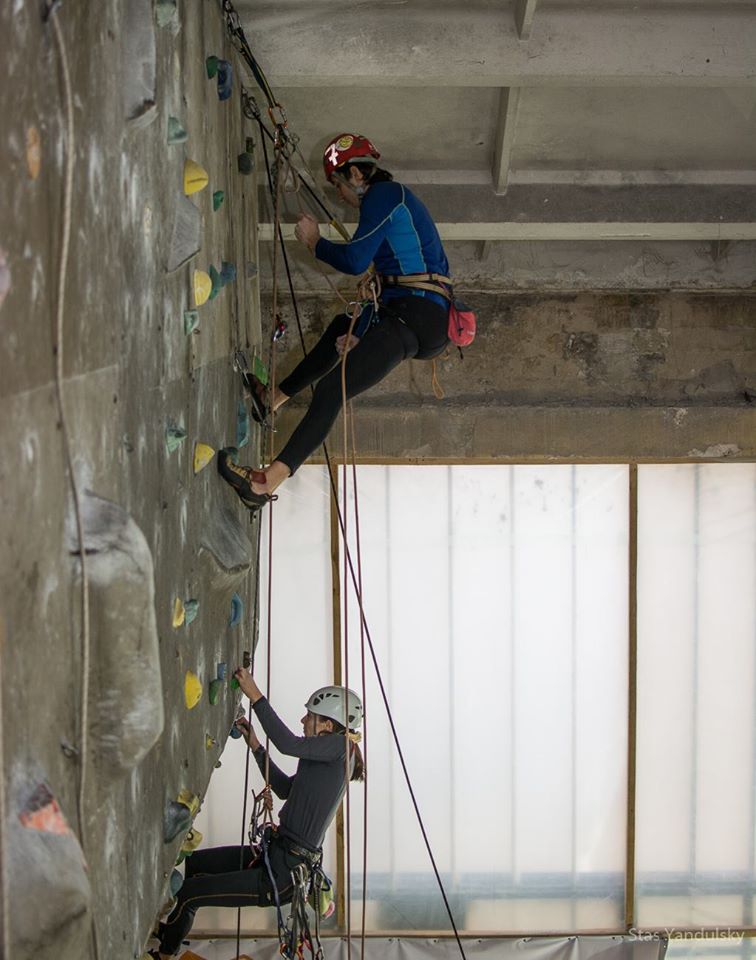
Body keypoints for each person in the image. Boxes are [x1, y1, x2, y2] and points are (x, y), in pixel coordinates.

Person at [218, 132, 452, 510]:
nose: (339, 194)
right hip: (408, 311)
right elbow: (384, 276)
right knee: (340, 329)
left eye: (338, 183)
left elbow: (355, 261)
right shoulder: (388, 204)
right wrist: (360, 332)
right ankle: (272, 400)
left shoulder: (385, 196)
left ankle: (264, 483)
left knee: (330, 391)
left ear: (358, 175)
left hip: (417, 315)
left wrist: (314, 242)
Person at [151, 673, 364, 958]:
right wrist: (256, 746)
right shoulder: (327, 757)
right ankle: (169, 932)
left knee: (190, 892)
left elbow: (288, 744)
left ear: (327, 725)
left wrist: (256, 697)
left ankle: (165, 953)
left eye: (309, 717)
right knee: (197, 863)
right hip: (275, 853)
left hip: (282, 873)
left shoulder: (341, 748)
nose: (303, 721)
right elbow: (285, 789)